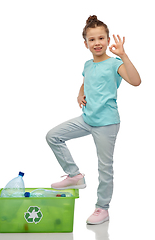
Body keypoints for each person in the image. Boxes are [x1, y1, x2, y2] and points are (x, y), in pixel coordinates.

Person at [46, 15, 141, 225]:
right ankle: (75, 175)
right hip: (87, 118)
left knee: (104, 167)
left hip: (107, 123)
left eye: (101, 38)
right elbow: (85, 82)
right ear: (86, 43)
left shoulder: (115, 63)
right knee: (53, 136)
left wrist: (124, 55)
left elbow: (136, 81)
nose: (97, 42)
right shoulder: (88, 64)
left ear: (107, 40)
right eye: (92, 39)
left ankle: (102, 208)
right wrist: (80, 94)